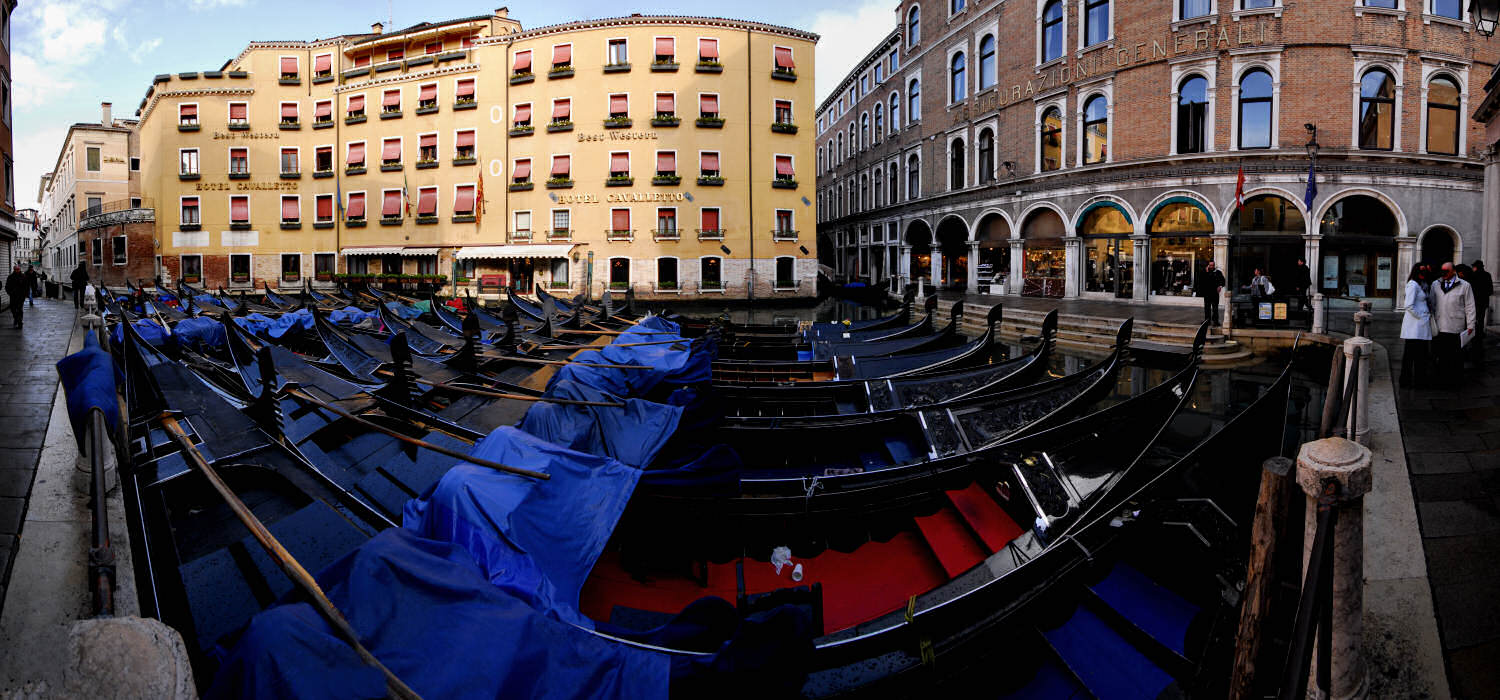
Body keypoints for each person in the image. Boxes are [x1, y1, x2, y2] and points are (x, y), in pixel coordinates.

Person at [1430, 262, 1476, 388]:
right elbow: (1432, 304)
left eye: (1447, 271)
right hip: (1440, 326)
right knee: (1441, 355)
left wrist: (1471, 325)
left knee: (1455, 356)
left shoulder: (1465, 285)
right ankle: (1441, 380)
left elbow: (1470, 306)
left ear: (1453, 271)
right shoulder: (1435, 284)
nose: (1444, 274)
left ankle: (1455, 381)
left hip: (1456, 326)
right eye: (1442, 271)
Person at [1399, 264, 1433, 387]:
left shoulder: (1422, 284)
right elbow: (1408, 305)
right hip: (1415, 326)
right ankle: (1407, 380)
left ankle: (1420, 380)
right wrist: (1421, 315)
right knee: (1411, 355)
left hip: (1421, 325)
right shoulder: (1413, 284)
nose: (1424, 272)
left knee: (1421, 355)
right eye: (1422, 270)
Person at [1469, 260, 1493, 365]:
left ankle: (1474, 339)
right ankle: (1479, 337)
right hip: (1483, 303)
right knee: (1481, 320)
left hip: (1474, 302)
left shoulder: (1473, 276)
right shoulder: (1487, 275)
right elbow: (1490, 290)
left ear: (1475, 267)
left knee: (1474, 320)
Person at [1195, 261, 1226, 326]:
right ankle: (1207, 321)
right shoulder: (1205, 272)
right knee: (1207, 308)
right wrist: (1205, 272)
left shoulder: (1218, 272)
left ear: (1214, 265)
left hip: (1215, 293)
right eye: (1210, 265)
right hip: (1207, 293)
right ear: (1208, 265)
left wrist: (1220, 286)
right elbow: (1201, 280)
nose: (1211, 266)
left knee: (1215, 308)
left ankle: (1216, 321)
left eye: (1212, 265)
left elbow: (1223, 281)